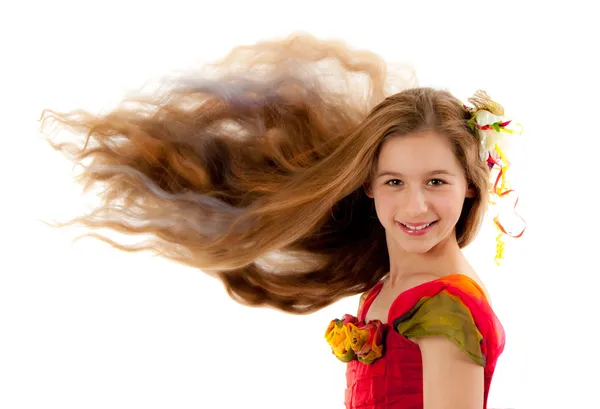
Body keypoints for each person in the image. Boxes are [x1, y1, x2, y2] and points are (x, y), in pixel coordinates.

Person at [39, 33, 525, 409]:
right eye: (395, 182)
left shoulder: (445, 308)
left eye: (436, 182)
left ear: (470, 185)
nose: (416, 207)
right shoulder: (385, 288)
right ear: (368, 186)